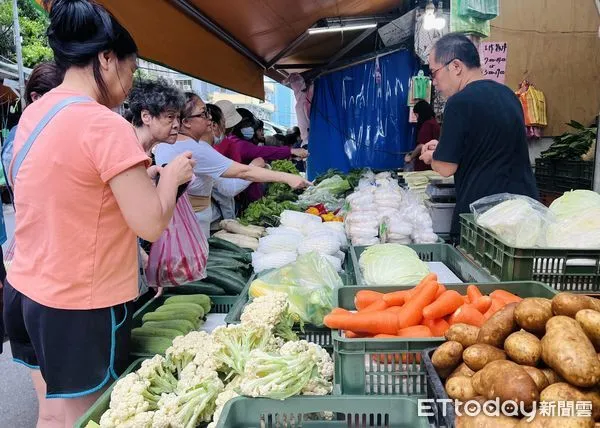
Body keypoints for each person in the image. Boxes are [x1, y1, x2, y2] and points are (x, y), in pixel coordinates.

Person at [3, 1, 195, 426]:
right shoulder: (105, 124)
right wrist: (170, 179)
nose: (128, 86)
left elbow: (68, 191)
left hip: (26, 291)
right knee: (91, 418)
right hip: (78, 306)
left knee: (53, 417)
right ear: (106, 59)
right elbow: (150, 223)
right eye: (130, 71)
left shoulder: (36, 112)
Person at [419, 33, 537, 240]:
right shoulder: (508, 95)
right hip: (523, 212)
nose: (434, 82)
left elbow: (445, 168)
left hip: (484, 218)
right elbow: (487, 145)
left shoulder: (458, 103)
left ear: (455, 66)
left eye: (434, 73)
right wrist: (444, 147)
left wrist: (433, 158)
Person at [155, 93, 310, 238]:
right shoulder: (196, 149)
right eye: (203, 114)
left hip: (176, 223)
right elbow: (243, 172)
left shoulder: (167, 144)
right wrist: (287, 177)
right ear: (186, 122)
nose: (209, 120)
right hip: (190, 226)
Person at [0, 61, 65, 356]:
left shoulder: (27, 135)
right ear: (38, 99)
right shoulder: (25, 139)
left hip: (39, 257)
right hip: (44, 259)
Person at [214, 100, 308, 203]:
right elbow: (263, 151)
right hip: (235, 194)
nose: (250, 129)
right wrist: (291, 151)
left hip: (235, 192)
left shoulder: (230, 140)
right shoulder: (236, 143)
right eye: (245, 125)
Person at [404, 100, 440, 171]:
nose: (417, 118)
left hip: (424, 164)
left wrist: (410, 157)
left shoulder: (427, 125)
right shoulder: (434, 123)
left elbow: (421, 145)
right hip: (433, 162)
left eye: (416, 115)